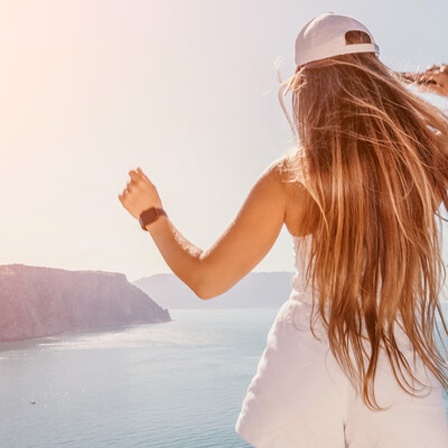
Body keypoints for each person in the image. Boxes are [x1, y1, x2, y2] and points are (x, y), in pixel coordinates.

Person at [119, 12, 448, 448]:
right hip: (399, 379)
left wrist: (152, 216)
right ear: (376, 77)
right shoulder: (427, 156)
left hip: (304, 379)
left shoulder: (291, 177)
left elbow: (206, 279)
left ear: (305, 91)